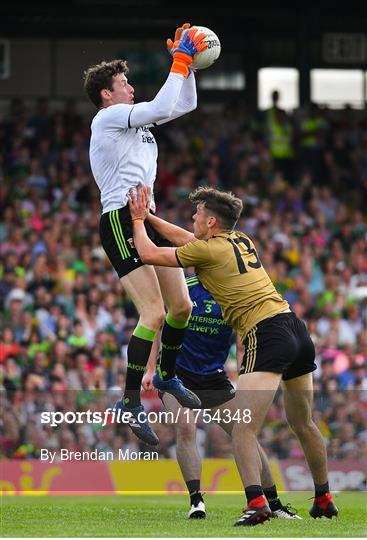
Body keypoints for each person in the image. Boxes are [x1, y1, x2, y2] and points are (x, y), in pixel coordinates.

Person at [128, 185, 338, 526]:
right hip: (295, 328)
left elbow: (150, 253)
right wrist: (151, 216)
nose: (193, 219)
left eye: (197, 215)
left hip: (265, 332)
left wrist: (138, 221)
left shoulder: (208, 252)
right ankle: (324, 498)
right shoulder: (241, 240)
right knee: (303, 422)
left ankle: (257, 504)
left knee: (242, 428)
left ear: (210, 222)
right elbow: (184, 238)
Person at [83, 24, 208, 445]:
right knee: (152, 313)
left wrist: (187, 69)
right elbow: (158, 106)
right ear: (107, 94)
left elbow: (182, 105)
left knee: (182, 306)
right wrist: (178, 62)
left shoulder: (132, 123)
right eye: (124, 83)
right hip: (120, 219)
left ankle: (167, 376)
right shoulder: (109, 117)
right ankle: (130, 401)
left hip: (145, 216)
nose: (130, 88)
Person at [143, 275, 301, 520]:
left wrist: (244, 379)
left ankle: (275, 503)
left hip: (213, 379)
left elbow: (241, 342)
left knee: (244, 432)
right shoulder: (183, 287)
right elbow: (155, 323)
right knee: (186, 427)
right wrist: (151, 368)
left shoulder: (232, 293)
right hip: (175, 373)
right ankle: (196, 501)